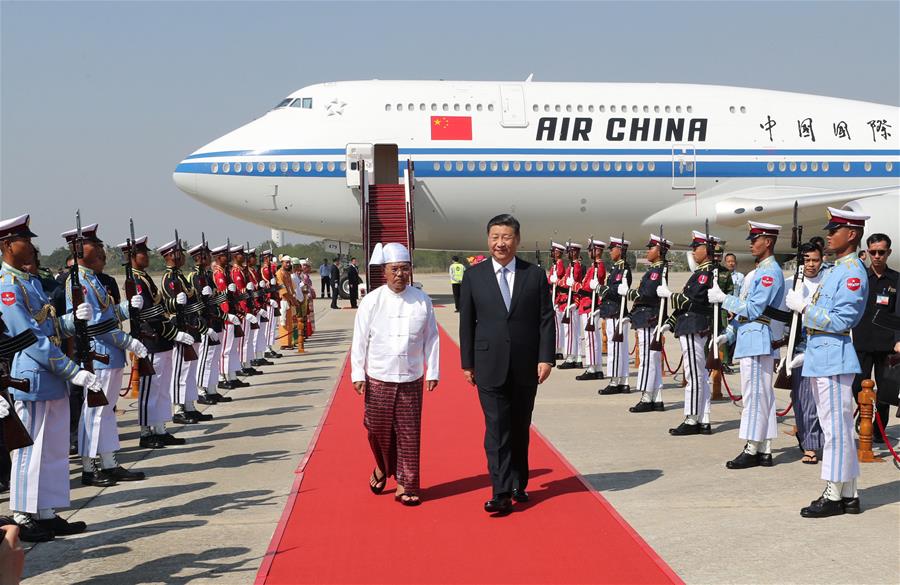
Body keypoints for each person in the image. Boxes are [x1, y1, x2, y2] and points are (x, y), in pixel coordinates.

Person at [0, 214, 98, 541]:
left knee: (53, 449)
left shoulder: (30, 283)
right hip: (32, 379)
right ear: (6, 246)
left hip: (52, 377)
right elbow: (30, 339)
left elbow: (50, 328)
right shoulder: (8, 287)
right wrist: (73, 371)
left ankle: (46, 510)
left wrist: (72, 320)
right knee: (30, 450)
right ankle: (22, 514)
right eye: (24, 240)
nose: (31, 246)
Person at [459, 214, 555, 515]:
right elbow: (467, 324)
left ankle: (518, 482)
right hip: (488, 363)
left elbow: (545, 320)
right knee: (496, 428)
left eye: (506, 237)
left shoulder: (535, 275)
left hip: (526, 364)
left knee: (519, 426)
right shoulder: (474, 276)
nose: (500, 243)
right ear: (488, 240)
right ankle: (500, 492)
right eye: (495, 237)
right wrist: (467, 363)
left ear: (517, 240)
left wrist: (546, 357)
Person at [787, 208, 869, 517]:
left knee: (835, 430)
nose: (829, 235)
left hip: (834, 357)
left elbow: (842, 319)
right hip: (823, 355)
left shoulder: (852, 272)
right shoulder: (837, 269)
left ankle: (833, 493)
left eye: (835, 230)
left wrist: (804, 306)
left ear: (851, 234)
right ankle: (849, 493)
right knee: (837, 428)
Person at [351, 242, 439, 507]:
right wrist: (358, 373)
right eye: (394, 269)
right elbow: (360, 339)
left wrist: (432, 370)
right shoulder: (371, 301)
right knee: (377, 430)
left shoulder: (421, 300)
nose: (400, 274)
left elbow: (431, 338)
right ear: (385, 272)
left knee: (409, 433)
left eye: (404, 269)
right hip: (378, 376)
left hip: (411, 376)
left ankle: (407, 484)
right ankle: (382, 467)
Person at [60, 223, 148, 486]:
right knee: (95, 412)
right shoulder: (79, 282)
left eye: (100, 246)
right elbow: (96, 326)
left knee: (107, 411)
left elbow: (107, 317)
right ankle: (89, 466)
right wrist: (129, 341)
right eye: (94, 246)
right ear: (78, 249)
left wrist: (125, 307)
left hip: (110, 355)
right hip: (99, 355)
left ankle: (109, 462)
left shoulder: (93, 279)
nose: (101, 251)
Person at [711, 222, 785, 468]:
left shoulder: (767, 272)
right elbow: (748, 310)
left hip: (757, 339)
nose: (751, 244)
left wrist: (724, 299)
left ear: (769, 242)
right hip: (751, 336)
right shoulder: (762, 271)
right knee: (762, 395)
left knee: (754, 396)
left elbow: (753, 309)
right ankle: (764, 446)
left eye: (756, 239)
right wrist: (730, 333)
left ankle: (752, 446)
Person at [120, 235, 192, 449]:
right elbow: (149, 314)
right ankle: (146, 432)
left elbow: (159, 306)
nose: (147, 255)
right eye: (143, 252)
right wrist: (174, 333)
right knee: (149, 390)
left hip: (160, 340)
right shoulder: (134, 280)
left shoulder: (144, 277)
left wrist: (173, 303)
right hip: (149, 340)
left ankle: (160, 428)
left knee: (161, 389)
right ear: (133, 256)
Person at [657, 230, 716, 435]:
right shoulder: (700, 272)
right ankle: (704, 417)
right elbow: (686, 305)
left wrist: (669, 295)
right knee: (699, 374)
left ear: (706, 250)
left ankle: (692, 418)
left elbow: (692, 301)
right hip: (689, 324)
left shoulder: (705, 273)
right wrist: (671, 322)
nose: (693, 251)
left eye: (695, 247)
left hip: (694, 326)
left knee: (694, 374)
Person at [780, 242, 825, 463]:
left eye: (814, 260)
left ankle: (813, 444)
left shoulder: (827, 281)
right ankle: (809, 443)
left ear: (821, 260)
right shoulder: (792, 283)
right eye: (806, 260)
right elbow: (782, 317)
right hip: (798, 345)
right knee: (802, 399)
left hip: (823, 343)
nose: (810, 264)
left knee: (821, 401)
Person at [159, 239, 212, 425]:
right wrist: (178, 303)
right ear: (168, 257)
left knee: (190, 370)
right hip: (180, 325)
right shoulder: (168, 278)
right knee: (180, 369)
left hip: (191, 325)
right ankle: (179, 408)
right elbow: (169, 305)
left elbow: (192, 302)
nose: (181, 257)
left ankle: (189, 405)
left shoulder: (180, 276)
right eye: (177, 254)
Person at [851, 233, 898, 438]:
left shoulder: (896, 279)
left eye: (881, 252)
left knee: (886, 389)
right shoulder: (860, 278)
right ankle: (865, 416)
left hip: (888, 345)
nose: (877, 256)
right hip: (861, 341)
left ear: (888, 252)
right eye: (873, 252)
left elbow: (899, 313)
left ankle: (879, 428)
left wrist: (898, 340)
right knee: (857, 385)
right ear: (867, 252)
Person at [627, 234, 670, 412]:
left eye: (651, 248)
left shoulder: (656, 271)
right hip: (648, 317)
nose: (648, 251)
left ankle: (646, 396)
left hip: (648, 318)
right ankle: (656, 396)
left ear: (659, 252)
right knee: (652, 359)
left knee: (646, 359)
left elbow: (647, 293)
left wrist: (628, 293)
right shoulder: (656, 269)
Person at [190, 243, 232, 404]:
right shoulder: (194, 277)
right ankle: (201, 390)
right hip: (204, 322)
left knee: (213, 357)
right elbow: (195, 303)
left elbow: (215, 298)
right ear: (198, 257)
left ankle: (212, 388)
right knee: (205, 357)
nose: (209, 258)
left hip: (214, 320)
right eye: (206, 255)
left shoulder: (207, 275)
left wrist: (227, 293)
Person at [597, 236, 632, 394]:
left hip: (616, 312)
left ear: (621, 250)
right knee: (620, 347)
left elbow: (618, 291)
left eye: (613, 248)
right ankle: (623, 380)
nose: (610, 251)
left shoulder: (623, 269)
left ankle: (614, 381)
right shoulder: (616, 268)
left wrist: (602, 289)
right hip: (612, 311)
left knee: (615, 347)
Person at [576, 239, 606, 381]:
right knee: (591, 338)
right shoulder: (592, 267)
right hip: (586, 304)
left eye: (591, 250)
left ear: (598, 251)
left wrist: (579, 287)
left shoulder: (598, 266)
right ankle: (597, 368)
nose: (589, 252)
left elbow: (590, 285)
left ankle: (592, 368)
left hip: (590, 305)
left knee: (591, 339)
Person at [556, 242, 584, 369]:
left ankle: (572, 357)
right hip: (571, 300)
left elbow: (575, 280)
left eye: (570, 252)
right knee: (574, 331)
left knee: (571, 332)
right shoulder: (571, 266)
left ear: (575, 252)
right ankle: (576, 357)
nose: (568, 254)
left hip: (573, 301)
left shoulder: (576, 265)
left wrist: (562, 282)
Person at [547, 242, 567, 359]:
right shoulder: (555, 265)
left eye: (554, 251)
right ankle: (556, 348)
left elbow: (557, 278)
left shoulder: (559, 265)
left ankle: (559, 350)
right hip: (554, 297)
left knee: (558, 326)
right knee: (555, 326)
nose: (552, 253)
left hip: (558, 298)